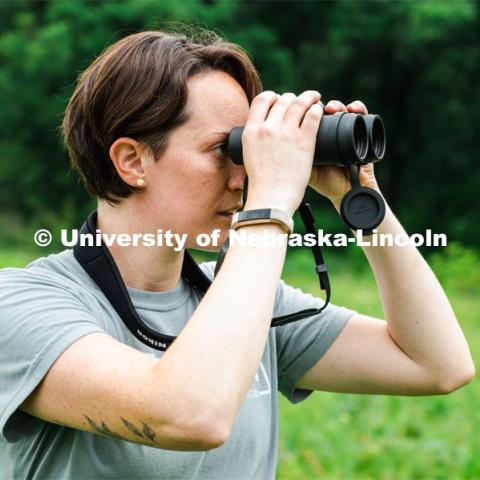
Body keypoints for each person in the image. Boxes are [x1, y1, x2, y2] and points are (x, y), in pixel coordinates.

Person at [0, 29, 475, 480]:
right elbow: (189, 416)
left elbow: (437, 364)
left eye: (247, 150)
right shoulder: (23, 305)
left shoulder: (243, 304)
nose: (243, 176)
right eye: (222, 149)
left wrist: (363, 200)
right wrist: (270, 206)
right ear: (132, 161)